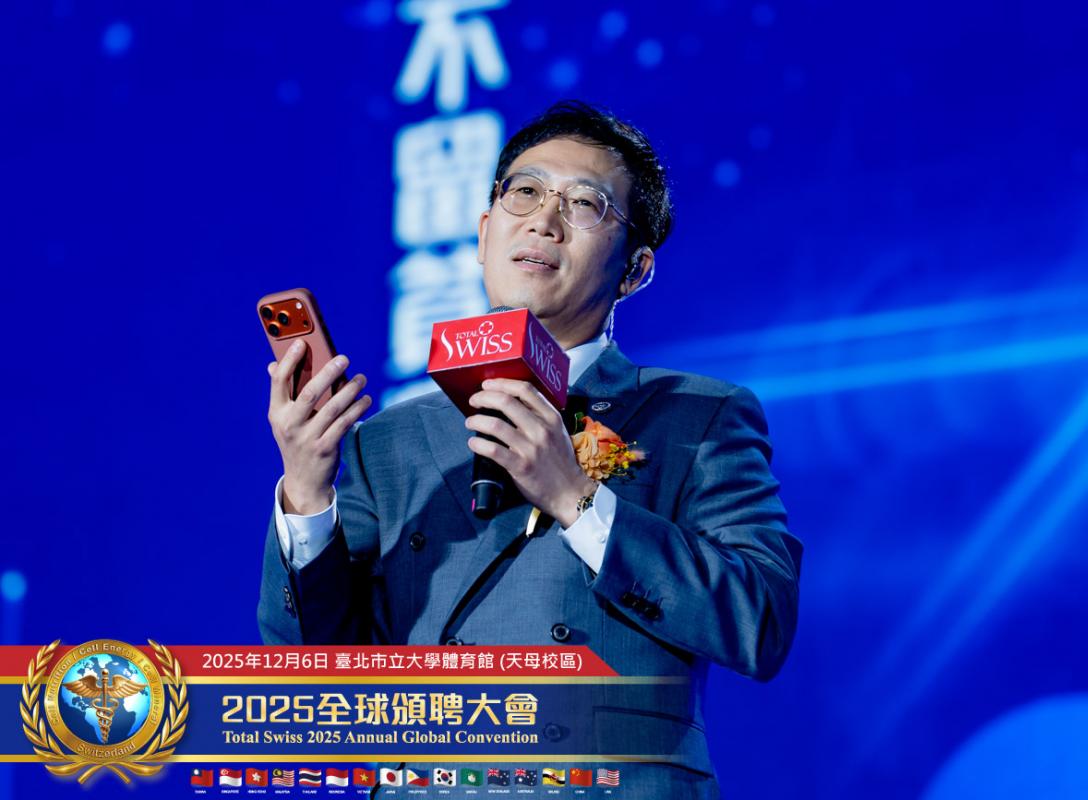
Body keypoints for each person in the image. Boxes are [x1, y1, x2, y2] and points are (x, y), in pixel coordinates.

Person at [259, 101, 802, 798]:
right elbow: (317, 673)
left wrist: (578, 500)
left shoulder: (699, 416)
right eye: (525, 191)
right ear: (485, 233)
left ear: (635, 270)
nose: (544, 220)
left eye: (584, 203)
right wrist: (307, 495)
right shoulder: (386, 441)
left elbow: (759, 621)